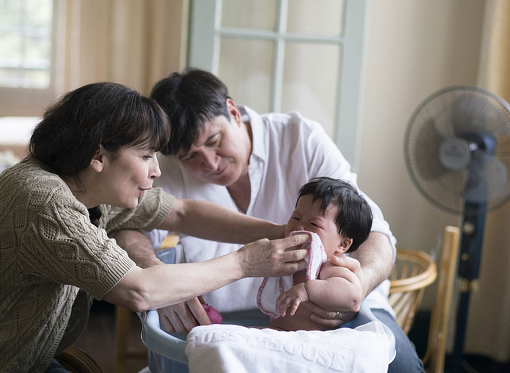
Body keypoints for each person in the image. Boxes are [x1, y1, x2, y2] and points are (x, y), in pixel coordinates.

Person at [0, 82, 312, 373]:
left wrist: (281, 232)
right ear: (98, 155)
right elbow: (138, 290)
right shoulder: (43, 200)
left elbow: (184, 212)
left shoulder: (87, 188)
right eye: (147, 155)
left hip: (19, 359)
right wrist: (245, 263)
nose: (156, 171)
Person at [114, 68, 424, 372]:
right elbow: (128, 228)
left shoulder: (301, 139)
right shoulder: (168, 169)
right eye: (191, 157)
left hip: (337, 312)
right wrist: (162, 281)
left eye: (214, 141)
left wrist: (357, 288)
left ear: (233, 112)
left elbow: (375, 234)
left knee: (402, 365)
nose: (210, 163)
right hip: (227, 318)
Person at [266, 177, 373, 332]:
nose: (299, 227)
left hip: (312, 338)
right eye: (296, 218)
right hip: (278, 331)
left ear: (342, 245)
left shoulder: (328, 265)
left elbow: (353, 294)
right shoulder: (287, 257)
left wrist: (306, 290)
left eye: (314, 224)